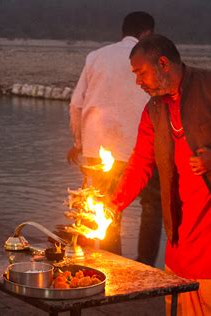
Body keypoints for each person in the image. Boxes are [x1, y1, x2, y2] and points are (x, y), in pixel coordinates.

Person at [110, 34, 211, 315]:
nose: (137, 81)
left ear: (163, 63)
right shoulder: (153, 109)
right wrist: (114, 204)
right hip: (182, 229)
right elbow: (141, 163)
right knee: (182, 299)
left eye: (141, 73)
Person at [66, 12, 162, 264]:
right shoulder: (152, 61)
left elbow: (76, 104)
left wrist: (79, 143)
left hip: (97, 148)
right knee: (152, 207)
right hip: (140, 149)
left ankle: (111, 262)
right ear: (147, 34)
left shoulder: (96, 57)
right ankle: (145, 264)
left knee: (103, 207)